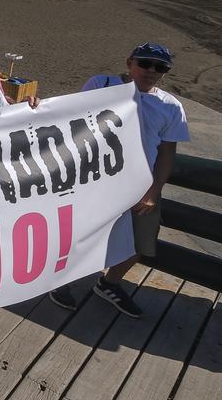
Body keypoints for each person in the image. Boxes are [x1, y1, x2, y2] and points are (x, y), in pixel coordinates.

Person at [49, 43, 189, 317]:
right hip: (95, 180)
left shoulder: (172, 107)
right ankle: (60, 281)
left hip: (141, 186)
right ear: (129, 63)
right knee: (80, 236)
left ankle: (109, 283)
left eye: (160, 67)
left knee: (140, 242)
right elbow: (68, 119)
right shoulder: (101, 84)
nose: (151, 71)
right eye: (145, 63)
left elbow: (166, 153)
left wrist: (154, 190)